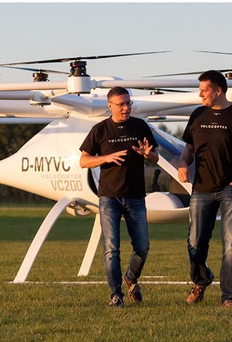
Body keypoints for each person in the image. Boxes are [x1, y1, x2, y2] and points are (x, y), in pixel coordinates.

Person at [177, 70, 232, 308]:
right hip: (201, 190)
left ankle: (229, 296)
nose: (200, 94)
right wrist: (183, 163)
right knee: (195, 244)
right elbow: (188, 150)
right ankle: (201, 280)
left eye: (204, 90)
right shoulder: (197, 115)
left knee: (231, 246)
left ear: (218, 90)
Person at [80, 86, 159, 308]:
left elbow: (155, 156)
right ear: (110, 106)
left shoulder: (140, 126)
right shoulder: (101, 130)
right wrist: (105, 158)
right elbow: (84, 160)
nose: (126, 108)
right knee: (111, 249)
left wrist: (147, 154)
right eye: (121, 104)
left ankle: (131, 278)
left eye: (128, 103)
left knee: (142, 247)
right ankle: (116, 295)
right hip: (109, 198)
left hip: (135, 196)